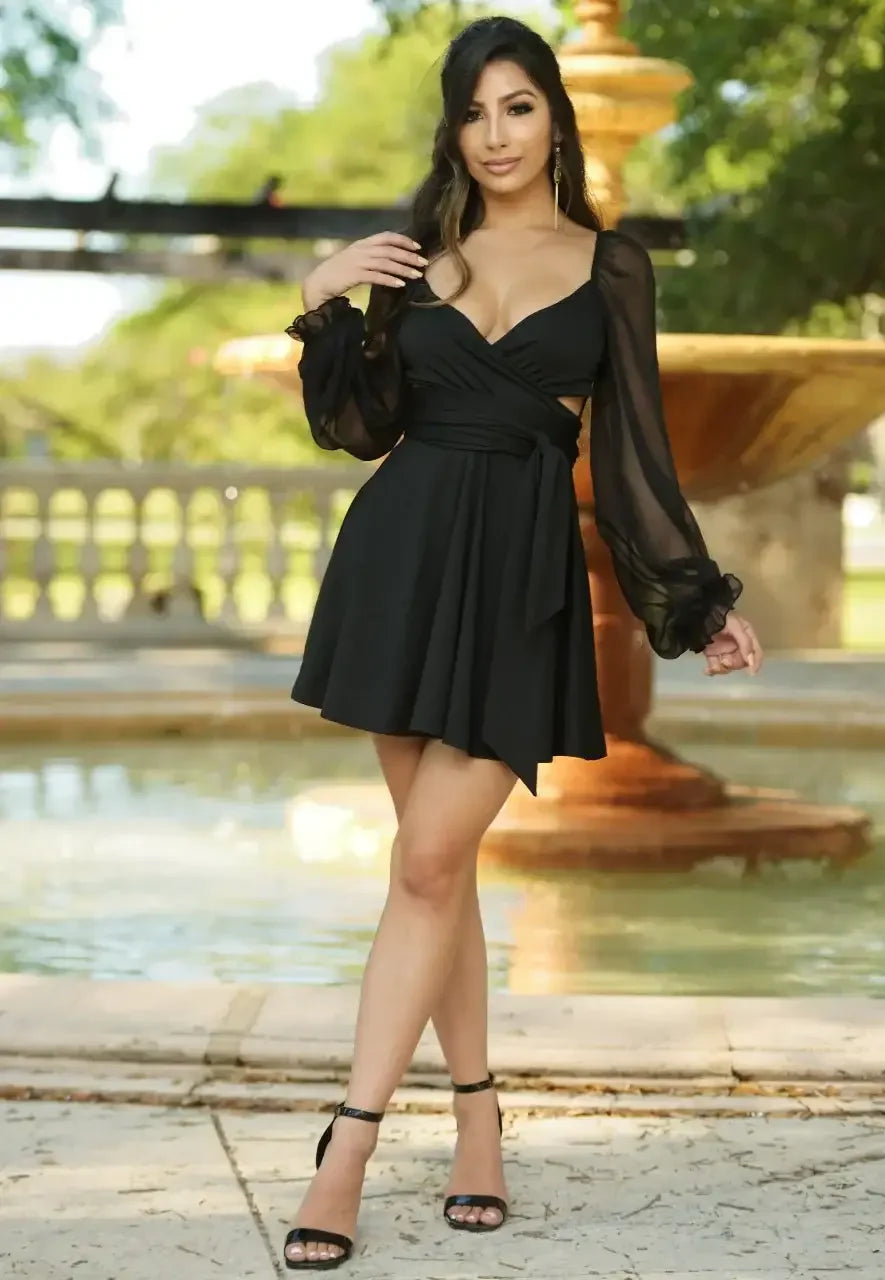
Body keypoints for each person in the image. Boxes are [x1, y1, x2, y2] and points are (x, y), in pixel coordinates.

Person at [280, 13, 764, 1271]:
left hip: (517, 582)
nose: (494, 135)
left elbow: (637, 452)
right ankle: (480, 1119)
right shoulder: (415, 259)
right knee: (436, 876)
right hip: (402, 559)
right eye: (473, 112)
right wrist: (321, 296)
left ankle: (348, 1146)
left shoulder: (613, 266)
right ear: (453, 130)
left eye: (518, 107)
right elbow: (362, 425)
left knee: (433, 861)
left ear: (556, 116)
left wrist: (697, 599)